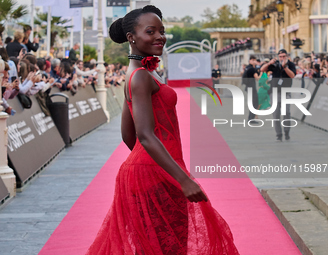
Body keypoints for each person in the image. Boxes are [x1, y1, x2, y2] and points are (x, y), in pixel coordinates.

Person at [85, 5, 239, 255]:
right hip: (157, 175)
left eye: (162, 31)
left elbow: (128, 135)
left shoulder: (136, 73)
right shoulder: (142, 77)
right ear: (131, 38)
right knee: (168, 248)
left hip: (151, 171)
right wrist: (182, 178)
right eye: (150, 31)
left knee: (159, 247)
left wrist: (146, 165)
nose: (160, 36)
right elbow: (143, 135)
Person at [261, 49, 296, 141]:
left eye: (284, 56)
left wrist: (285, 67)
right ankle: (279, 134)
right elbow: (262, 69)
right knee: (276, 114)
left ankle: (287, 132)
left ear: (287, 56)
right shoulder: (275, 64)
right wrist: (269, 64)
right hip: (275, 92)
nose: (282, 58)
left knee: (287, 113)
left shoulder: (291, 64)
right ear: (278, 57)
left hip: (286, 92)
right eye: (280, 56)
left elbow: (292, 75)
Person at [244, 55, 259, 123]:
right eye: (252, 60)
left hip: (248, 87)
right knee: (255, 103)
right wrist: (261, 72)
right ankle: (251, 119)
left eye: (254, 60)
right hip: (252, 88)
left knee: (252, 103)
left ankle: (250, 118)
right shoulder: (252, 69)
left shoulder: (247, 67)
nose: (254, 62)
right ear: (250, 61)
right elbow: (257, 78)